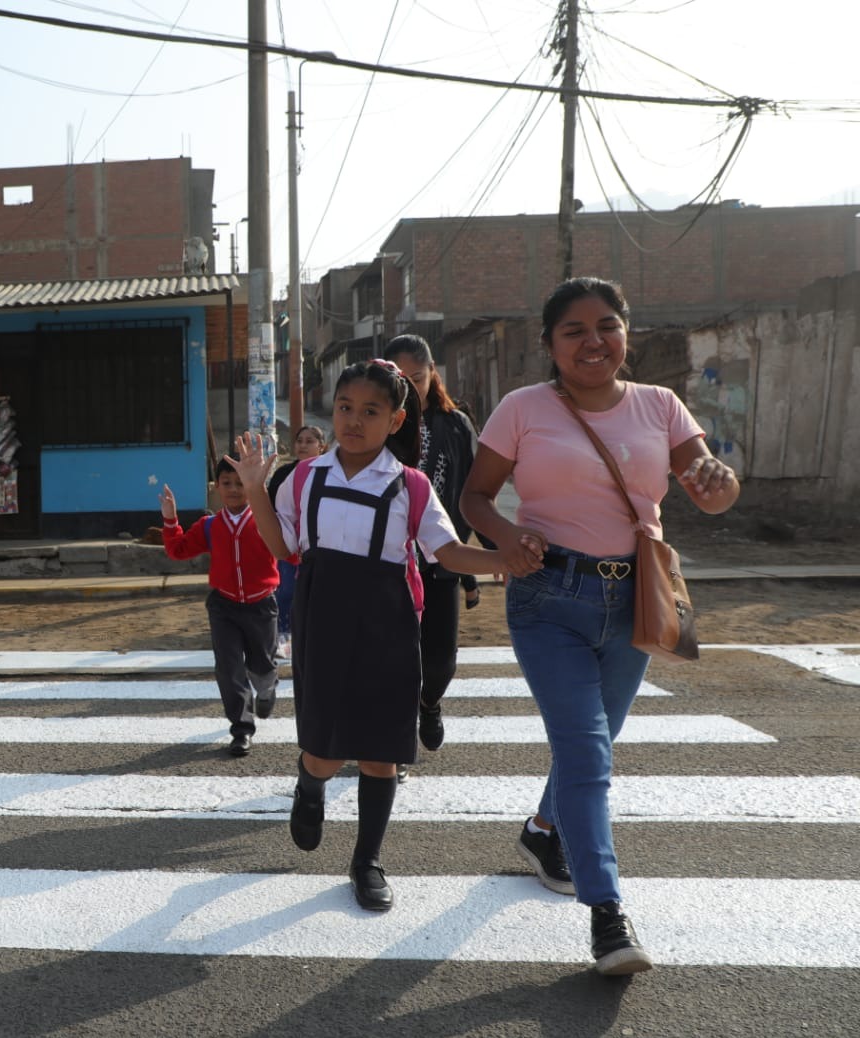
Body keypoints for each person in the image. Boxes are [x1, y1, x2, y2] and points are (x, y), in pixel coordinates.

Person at [460, 277, 740, 977]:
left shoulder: (660, 406)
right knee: (587, 753)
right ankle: (607, 915)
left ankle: (542, 830)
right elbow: (474, 495)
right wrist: (505, 537)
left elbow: (713, 490)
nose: (593, 341)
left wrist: (716, 479)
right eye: (574, 331)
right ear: (551, 346)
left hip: (634, 601)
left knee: (592, 743)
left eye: (606, 326)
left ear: (626, 334)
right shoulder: (523, 408)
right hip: (547, 595)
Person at [232, 360, 513, 913]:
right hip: (323, 618)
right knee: (324, 750)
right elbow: (282, 546)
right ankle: (309, 786)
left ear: (396, 419)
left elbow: (447, 551)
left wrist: (503, 558)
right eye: (344, 408)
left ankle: (367, 861)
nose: (354, 421)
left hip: (389, 620)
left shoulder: (411, 485)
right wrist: (254, 489)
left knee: (382, 752)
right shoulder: (307, 476)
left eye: (370, 411)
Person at [386, 334, 484, 760]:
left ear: (433, 376)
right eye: (400, 379)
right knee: (395, 660)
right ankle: (395, 741)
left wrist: (476, 565)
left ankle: (430, 703)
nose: (410, 387)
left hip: (443, 560)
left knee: (441, 661)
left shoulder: (456, 425)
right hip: (390, 562)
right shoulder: (379, 426)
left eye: (418, 378)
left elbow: (473, 493)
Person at [160, 458, 280, 757]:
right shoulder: (210, 525)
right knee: (228, 669)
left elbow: (292, 551)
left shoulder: (267, 521)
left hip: (261, 604)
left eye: (240, 483)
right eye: (227, 483)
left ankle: (266, 689)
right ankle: (241, 729)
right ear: (216, 488)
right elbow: (177, 550)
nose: (234, 489)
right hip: (223, 605)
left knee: (261, 665)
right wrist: (170, 519)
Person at [266, 424, 327, 660]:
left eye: (309, 441)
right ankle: (283, 636)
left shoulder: (330, 473)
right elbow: (272, 510)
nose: (303, 445)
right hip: (290, 546)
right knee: (286, 592)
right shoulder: (283, 475)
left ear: (322, 447)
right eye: (299, 440)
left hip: (320, 546)